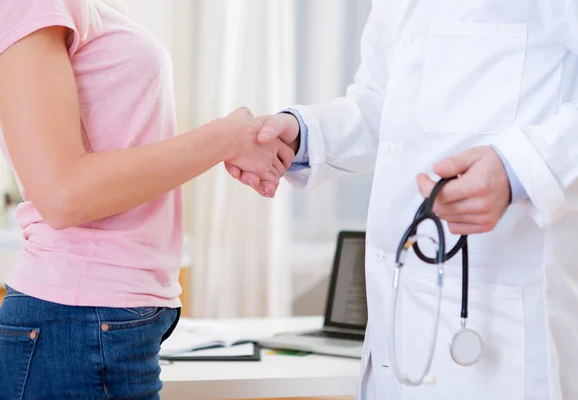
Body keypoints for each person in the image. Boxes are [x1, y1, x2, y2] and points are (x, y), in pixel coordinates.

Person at [227, 1, 578, 399]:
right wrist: (304, 134)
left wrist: (518, 170)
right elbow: (382, 104)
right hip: (400, 321)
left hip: (501, 329)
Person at [0, 0, 293, 398]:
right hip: (78, 321)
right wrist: (223, 137)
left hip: (104, 321)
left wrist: (235, 140)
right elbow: (62, 194)